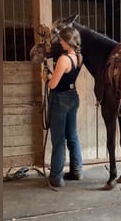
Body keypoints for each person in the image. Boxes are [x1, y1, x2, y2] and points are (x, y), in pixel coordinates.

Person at [42, 27, 83, 187]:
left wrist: (45, 77)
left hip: (60, 99)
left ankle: (56, 178)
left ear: (67, 42)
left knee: (58, 140)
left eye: (61, 40)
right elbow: (66, 78)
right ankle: (76, 171)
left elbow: (53, 84)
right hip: (73, 96)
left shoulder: (63, 59)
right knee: (72, 136)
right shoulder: (79, 57)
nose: (59, 42)